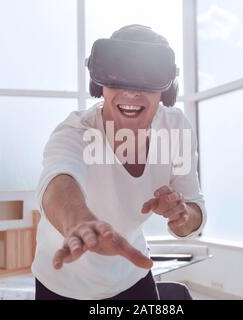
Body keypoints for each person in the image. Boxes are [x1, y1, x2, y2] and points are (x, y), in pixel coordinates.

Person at [31, 24, 207, 300]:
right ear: (99, 85)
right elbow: (58, 179)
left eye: (146, 82)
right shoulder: (76, 130)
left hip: (132, 272)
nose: (131, 93)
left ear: (167, 90)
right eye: (118, 80)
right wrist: (78, 222)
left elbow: (193, 212)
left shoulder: (175, 129)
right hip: (63, 282)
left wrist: (181, 215)